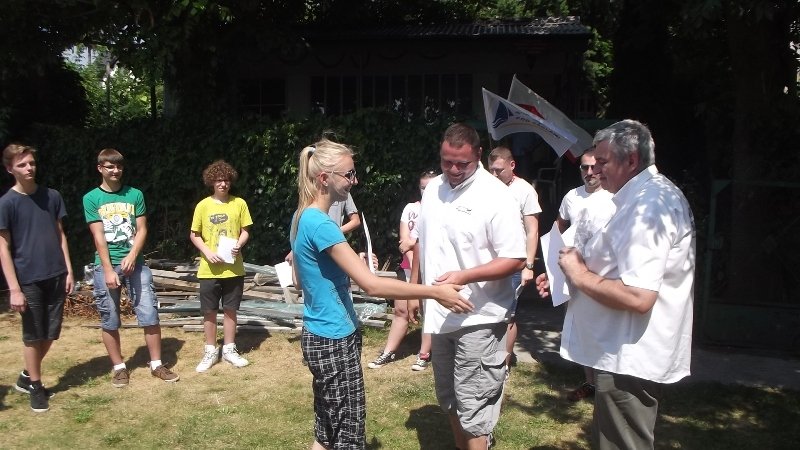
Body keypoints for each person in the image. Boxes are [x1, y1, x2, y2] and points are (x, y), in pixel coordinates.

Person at [290, 137, 471, 450]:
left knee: (326, 430)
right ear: (324, 178)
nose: (355, 180)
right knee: (348, 436)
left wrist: (350, 262)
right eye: (349, 174)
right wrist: (434, 292)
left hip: (318, 335)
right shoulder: (322, 225)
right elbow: (372, 286)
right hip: (334, 339)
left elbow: (298, 279)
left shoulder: (302, 216)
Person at [536, 120, 695, 449]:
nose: (595, 170)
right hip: (619, 352)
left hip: (628, 357)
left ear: (631, 160)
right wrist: (564, 274)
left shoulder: (650, 207)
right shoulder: (638, 199)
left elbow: (638, 296)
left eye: (603, 162)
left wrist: (578, 275)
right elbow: (618, 262)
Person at [413, 123, 527, 450]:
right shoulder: (433, 189)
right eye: (446, 161)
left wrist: (464, 276)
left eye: (461, 163)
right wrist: (415, 290)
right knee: (449, 399)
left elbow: (515, 258)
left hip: (480, 316)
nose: (453, 169)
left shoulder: (496, 196)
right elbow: (424, 242)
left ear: (478, 154)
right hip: (440, 315)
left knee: (474, 405)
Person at [83, 148, 179, 387]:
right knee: (109, 318)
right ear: (100, 168)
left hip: (136, 264)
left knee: (149, 313)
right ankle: (119, 368)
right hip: (106, 265)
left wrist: (133, 255)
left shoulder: (135, 194)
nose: (115, 171)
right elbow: (98, 236)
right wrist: (108, 270)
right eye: (110, 167)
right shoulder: (91, 198)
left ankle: (156, 364)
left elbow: (142, 229)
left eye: (119, 166)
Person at [0, 144, 74, 412]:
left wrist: (68, 270)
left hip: (56, 274)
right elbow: (3, 247)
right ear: (10, 169)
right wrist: (14, 289)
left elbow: (60, 234)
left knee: (51, 333)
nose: (29, 168)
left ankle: (25, 376)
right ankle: (36, 386)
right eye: (22, 165)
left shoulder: (51, 196)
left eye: (31, 163)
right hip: (28, 279)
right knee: (33, 335)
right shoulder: (6, 203)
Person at [555, 149, 616, 402]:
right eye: (584, 168)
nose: (589, 173)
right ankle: (590, 382)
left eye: (594, 167)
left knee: (603, 326)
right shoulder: (572, 196)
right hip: (573, 273)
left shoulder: (614, 196)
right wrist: (554, 257)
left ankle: (608, 382)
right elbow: (559, 225)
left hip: (602, 274)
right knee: (579, 326)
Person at [368, 170, 437, 371]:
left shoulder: (442, 210)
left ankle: (424, 354)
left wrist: (413, 244)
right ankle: (388, 351)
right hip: (408, 266)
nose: (426, 191)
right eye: (423, 187)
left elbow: (425, 242)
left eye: (430, 187)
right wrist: (413, 250)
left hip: (431, 268)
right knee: (400, 310)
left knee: (428, 311)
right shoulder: (411, 208)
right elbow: (404, 242)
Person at [190, 160, 253, 372]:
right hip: (209, 270)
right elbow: (194, 235)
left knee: (230, 310)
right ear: (212, 182)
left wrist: (239, 244)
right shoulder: (202, 206)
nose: (223, 184)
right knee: (209, 311)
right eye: (218, 180)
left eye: (226, 180)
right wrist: (207, 252)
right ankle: (210, 350)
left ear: (230, 181)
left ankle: (229, 349)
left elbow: (245, 230)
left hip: (233, 268)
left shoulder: (239, 203)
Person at [487, 146, 541, 371]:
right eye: (491, 170)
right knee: (488, 311)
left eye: (499, 170)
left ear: (512, 165)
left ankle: (503, 364)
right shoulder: (486, 188)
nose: (494, 175)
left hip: (514, 262)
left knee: (507, 314)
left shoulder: (524, 190)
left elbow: (532, 231)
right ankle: (488, 358)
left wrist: (529, 265)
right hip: (489, 261)